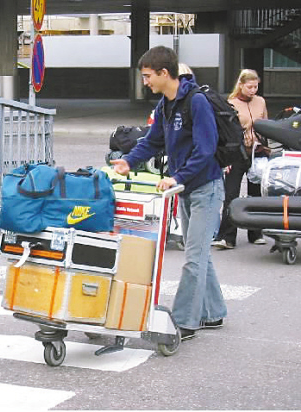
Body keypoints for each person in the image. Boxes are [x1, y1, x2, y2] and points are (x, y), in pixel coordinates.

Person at [112, 46, 226, 341]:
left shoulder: (196, 102)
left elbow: (205, 150)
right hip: (186, 188)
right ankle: (213, 313)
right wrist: (129, 161)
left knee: (194, 257)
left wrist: (177, 176)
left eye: (148, 76)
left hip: (206, 187)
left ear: (164, 73)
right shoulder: (166, 104)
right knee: (197, 252)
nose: (145, 82)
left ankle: (183, 322)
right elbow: (152, 141)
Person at [212, 69, 268, 249]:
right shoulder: (231, 103)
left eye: (256, 87)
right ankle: (227, 237)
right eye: (249, 87)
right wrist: (225, 158)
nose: (253, 90)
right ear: (241, 85)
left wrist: (266, 147)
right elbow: (225, 132)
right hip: (237, 153)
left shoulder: (260, 101)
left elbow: (267, 125)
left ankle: (256, 233)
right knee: (231, 194)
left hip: (257, 152)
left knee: (256, 194)